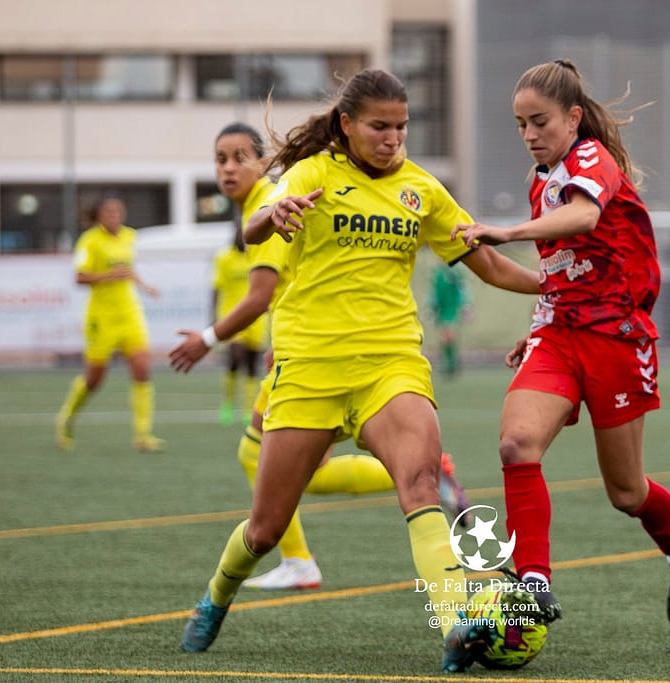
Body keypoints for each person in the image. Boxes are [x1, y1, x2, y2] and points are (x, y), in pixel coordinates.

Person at [177, 70, 540, 673]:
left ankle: (455, 626)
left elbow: (492, 265)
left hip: (390, 363)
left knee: (420, 485)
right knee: (265, 531)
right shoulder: (312, 174)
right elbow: (251, 229)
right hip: (310, 369)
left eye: (401, 126)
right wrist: (275, 212)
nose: (393, 138)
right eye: (379, 126)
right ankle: (215, 598)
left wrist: (557, 287)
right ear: (347, 125)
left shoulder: (422, 189)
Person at [452, 59, 670, 655]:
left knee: (626, 492)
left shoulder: (593, 161)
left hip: (617, 339)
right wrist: (537, 324)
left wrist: (507, 231)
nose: (529, 134)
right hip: (561, 334)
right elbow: (558, 269)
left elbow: (586, 215)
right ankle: (532, 584)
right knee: (516, 445)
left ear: (572, 117)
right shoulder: (539, 179)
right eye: (519, 124)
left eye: (539, 121)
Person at [170, 122, 470, 591]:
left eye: (240, 157)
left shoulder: (274, 199)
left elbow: (262, 293)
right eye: (220, 158)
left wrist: (206, 339)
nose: (229, 168)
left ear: (263, 160)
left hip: (312, 354)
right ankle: (432, 479)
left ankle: (298, 560)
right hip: (301, 348)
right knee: (302, 468)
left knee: (260, 456)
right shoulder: (278, 195)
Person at [55, 195, 164, 453]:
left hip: (129, 312)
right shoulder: (89, 241)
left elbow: (127, 269)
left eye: (118, 211)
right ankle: (66, 418)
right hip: (101, 318)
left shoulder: (129, 236)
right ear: (99, 215)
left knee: (142, 367)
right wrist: (107, 275)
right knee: (94, 380)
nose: (115, 216)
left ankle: (143, 434)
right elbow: (79, 277)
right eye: (109, 212)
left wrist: (145, 287)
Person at [210, 225, 267, 426]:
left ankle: (246, 409)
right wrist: (213, 318)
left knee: (252, 363)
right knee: (236, 357)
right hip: (232, 314)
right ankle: (228, 402)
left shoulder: (258, 256)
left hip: (256, 318)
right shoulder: (224, 258)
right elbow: (216, 288)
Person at [428, 260, 472, 377]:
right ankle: (448, 363)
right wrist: (431, 308)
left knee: (449, 336)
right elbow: (435, 293)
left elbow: (463, 290)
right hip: (442, 310)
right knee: (444, 338)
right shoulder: (438, 273)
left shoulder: (456, 272)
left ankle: (452, 364)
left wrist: (465, 307)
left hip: (453, 309)